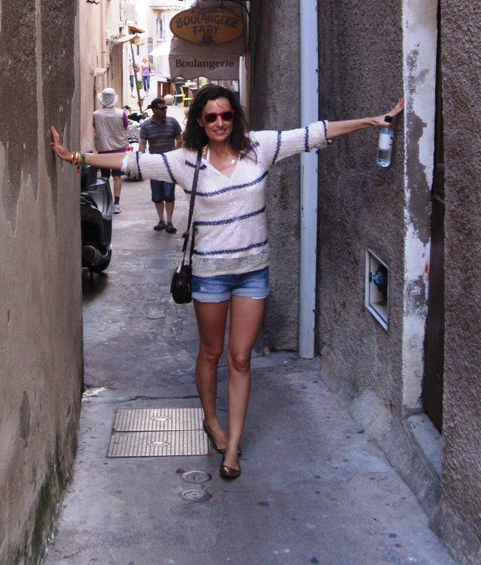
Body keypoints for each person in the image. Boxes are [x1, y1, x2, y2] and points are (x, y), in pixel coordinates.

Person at [50, 86, 403, 481]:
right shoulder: (186, 161)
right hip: (210, 274)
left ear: (235, 116)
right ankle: (210, 420)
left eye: (226, 115)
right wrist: (75, 157)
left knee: (240, 359)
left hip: (254, 271)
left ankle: (232, 446)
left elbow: (313, 134)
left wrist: (372, 121)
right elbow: (131, 162)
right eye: (211, 117)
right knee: (211, 353)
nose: (220, 122)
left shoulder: (259, 148)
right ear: (200, 122)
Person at [139, 97, 182, 233]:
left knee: (169, 193)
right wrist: (140, 160)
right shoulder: (146, 125)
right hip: (154, 164)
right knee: (157, 195)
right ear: (154, 110)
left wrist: (177, 153)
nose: (165, 111)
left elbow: (179, 139)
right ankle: (161, 220)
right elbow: (142, 144)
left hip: (170, 165)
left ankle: (169, 222)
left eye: (166, 108)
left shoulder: (172, 122)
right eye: (162, 109)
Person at [92, 87, 129, 213]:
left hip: (104, 148)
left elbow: (95, 127)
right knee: (117, 176)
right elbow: (125, 126)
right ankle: (116, 203)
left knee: (105, 177)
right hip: (119, 148)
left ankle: (107, 201)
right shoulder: (121, 113)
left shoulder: (96, 115)